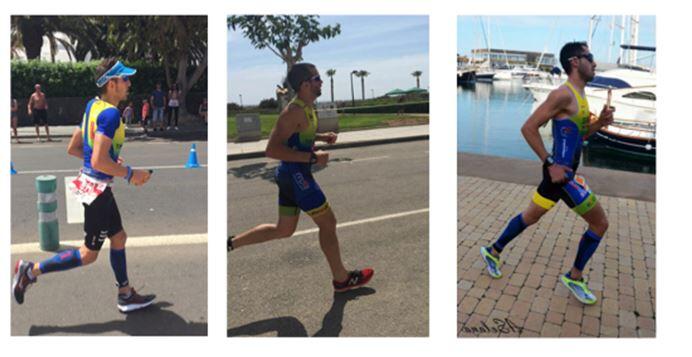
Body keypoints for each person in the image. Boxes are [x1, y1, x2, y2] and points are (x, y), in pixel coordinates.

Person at [12, 58, 155, 313]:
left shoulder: (93, 106)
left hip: (95, 185)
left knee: (119, 237)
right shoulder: (110, 114)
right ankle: (30, 270)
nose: (129, 83)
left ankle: (125, 293)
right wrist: (129, 173)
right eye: (125, 79)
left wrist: (108, 160)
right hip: (98, 190)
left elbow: (75, 148)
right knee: (88, 254)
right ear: (112, 84)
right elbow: (98, 159)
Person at [479, 42, 614, 305]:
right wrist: (550, 162)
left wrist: (600, 124)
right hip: (562, 177)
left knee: (529, 217)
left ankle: (493, 251)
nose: (595, 63)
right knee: (600, 224)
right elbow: (528, 127)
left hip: (557, 176)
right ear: (576, 61)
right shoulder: (562, 95)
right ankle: (575, 276)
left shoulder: (580, 94)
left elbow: (579, 137)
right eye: (591, 57)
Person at [228, 63, 374, 292]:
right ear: (305, 85)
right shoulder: (293, 111)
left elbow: (299, 132)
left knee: (283, 230)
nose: (321, 81)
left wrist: (322, 137)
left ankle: (229, 244)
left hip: (291, 176)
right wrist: (313, 159)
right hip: (296, 176)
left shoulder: (306, 107)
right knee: (328, 222)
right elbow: (271, 150)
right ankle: (342, 279)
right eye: (317, 78)